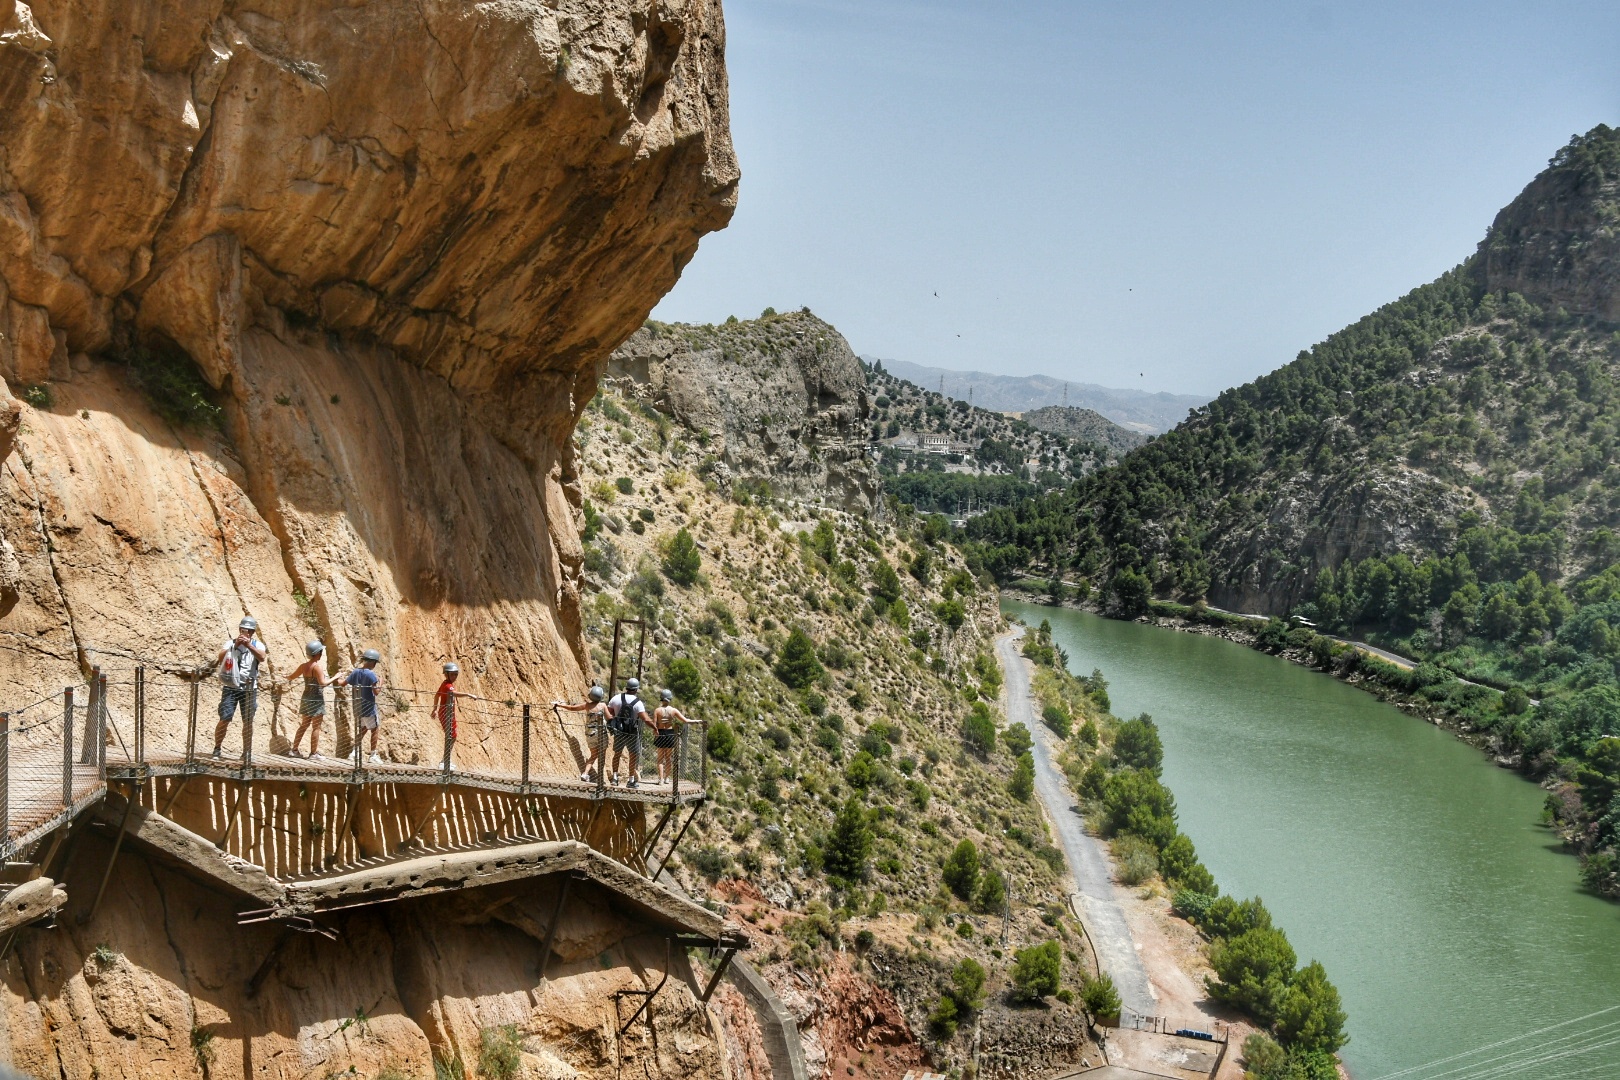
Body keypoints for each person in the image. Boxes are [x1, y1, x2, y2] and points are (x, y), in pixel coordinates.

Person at [211, 616, 267, 759]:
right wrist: (234, 646)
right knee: (225, 718)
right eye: (243, 630)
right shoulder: (230, 643)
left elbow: (262, 657)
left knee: (248, 721)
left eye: (248, 631)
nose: (245, 633)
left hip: (249, 688)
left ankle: (246, 752)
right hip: (231, 686)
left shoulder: (257, 645)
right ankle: (217, 748)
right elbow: (220, 657)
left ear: (252, 632)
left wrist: (249, 645)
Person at [285, 641, 336, 759]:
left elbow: (291, 677)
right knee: (316, 727)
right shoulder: (316, 667)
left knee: (304, 725)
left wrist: (285, 677)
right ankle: (313, 753)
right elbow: (322, 683)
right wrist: (335, 677)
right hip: (316, 700)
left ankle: (294, 750)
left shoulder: (303, 666)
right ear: (318, 653)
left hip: (306, 698)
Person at [337, 648, 384, 763]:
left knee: (363, 729)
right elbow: (376, 692)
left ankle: (354, 752)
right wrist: (381, 682)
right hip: (369, 708)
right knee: (375, 729)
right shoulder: (371, 674)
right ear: (372, 662)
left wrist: (337, 677)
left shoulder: (355, 672)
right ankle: (373, 755)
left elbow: (342, 683)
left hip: (358, 708)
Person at [434, 662, 482, 772]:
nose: (454, 677)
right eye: (452, 674)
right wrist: (469, 695)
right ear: (446, 674)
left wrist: (435, 709)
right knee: (451, 735)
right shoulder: (447, 686)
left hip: (447, 712)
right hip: (447, 713)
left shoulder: (444, 684)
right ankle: (444, 761)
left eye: (456, 674)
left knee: (452, 735)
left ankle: (446, 759)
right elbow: (455, 693)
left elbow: (437, 695)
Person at [605, 677, 652, 789]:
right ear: (636, 689)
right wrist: (655, 728)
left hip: (619, 732)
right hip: (632, 733)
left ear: (627, 687)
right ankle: (631, 780)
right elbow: (645, 719)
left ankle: (615, 778)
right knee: (633, 756)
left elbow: (608, 713)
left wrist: (613, 723)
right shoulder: (638, 703)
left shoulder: (616, 698)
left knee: (617, 754)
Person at [555, 686, 608, 782]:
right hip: (601, 734)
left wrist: (560, 705)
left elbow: (572, 708)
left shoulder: (587, 705)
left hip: (590, 734)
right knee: (602, 755)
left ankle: (585, 774)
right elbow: (609, 717)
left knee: (593, 755)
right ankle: (600, 777)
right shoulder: (603, 706)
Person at [651, 688, 690, 785]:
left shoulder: (657, 710)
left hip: (660, 733)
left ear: (661, 698)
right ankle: (667, 778)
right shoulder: (673, 710)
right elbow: (685, 720)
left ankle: (660, 779)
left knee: (660, 758)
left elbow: (654, 725)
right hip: (670, 734)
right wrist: (696, 721)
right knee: (668, 757)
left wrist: (655, 733)